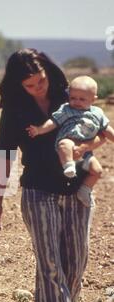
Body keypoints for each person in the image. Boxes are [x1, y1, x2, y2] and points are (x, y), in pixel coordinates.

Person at [0, 49, 106, 302]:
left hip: (77, 188)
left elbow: (99, 131)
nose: (37, 87)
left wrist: (84, 148)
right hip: (37, 190)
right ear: (18, 85)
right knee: (50, 262)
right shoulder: (15, 109)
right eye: (29, 85)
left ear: (47, 72)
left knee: (76, 260)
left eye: (40, 80)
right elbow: (4, 154)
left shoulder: (71, 97)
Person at [26, 75, 114, 207]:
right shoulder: (67, 109)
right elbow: (53, 122)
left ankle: (85, 190)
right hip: (69, 140)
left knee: (97, 171)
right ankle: (68, 165)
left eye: (82, 99)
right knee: (64, 144)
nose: (76, 102)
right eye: (73, 98)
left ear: (93, 99)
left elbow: (107, 129)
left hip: (86, 154)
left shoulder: (98, 113)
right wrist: (39, 130)